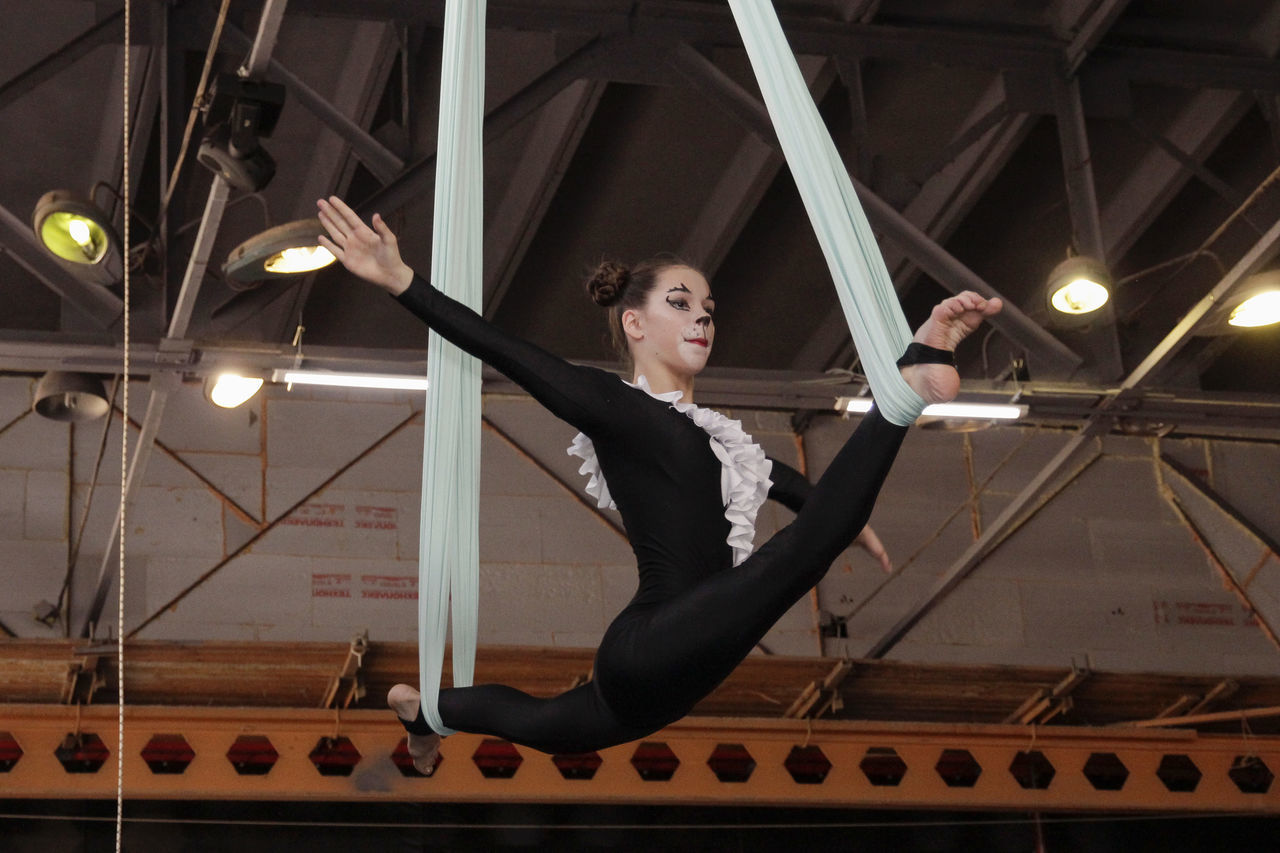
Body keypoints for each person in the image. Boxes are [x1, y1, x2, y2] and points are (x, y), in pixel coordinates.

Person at [316, 195, 1002, 772]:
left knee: (554, 726)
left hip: (676, 664)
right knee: (797, 557)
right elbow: (503, 350)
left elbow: (774, 477)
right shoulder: (614, 407)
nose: (703, 316)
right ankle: (908, 380)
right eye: (682, 303)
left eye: (708, 305)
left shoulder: (710, 434)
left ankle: (425, 709)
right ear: (634, 323)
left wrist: (829, 510)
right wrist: (404, 281)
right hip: (655, 645)